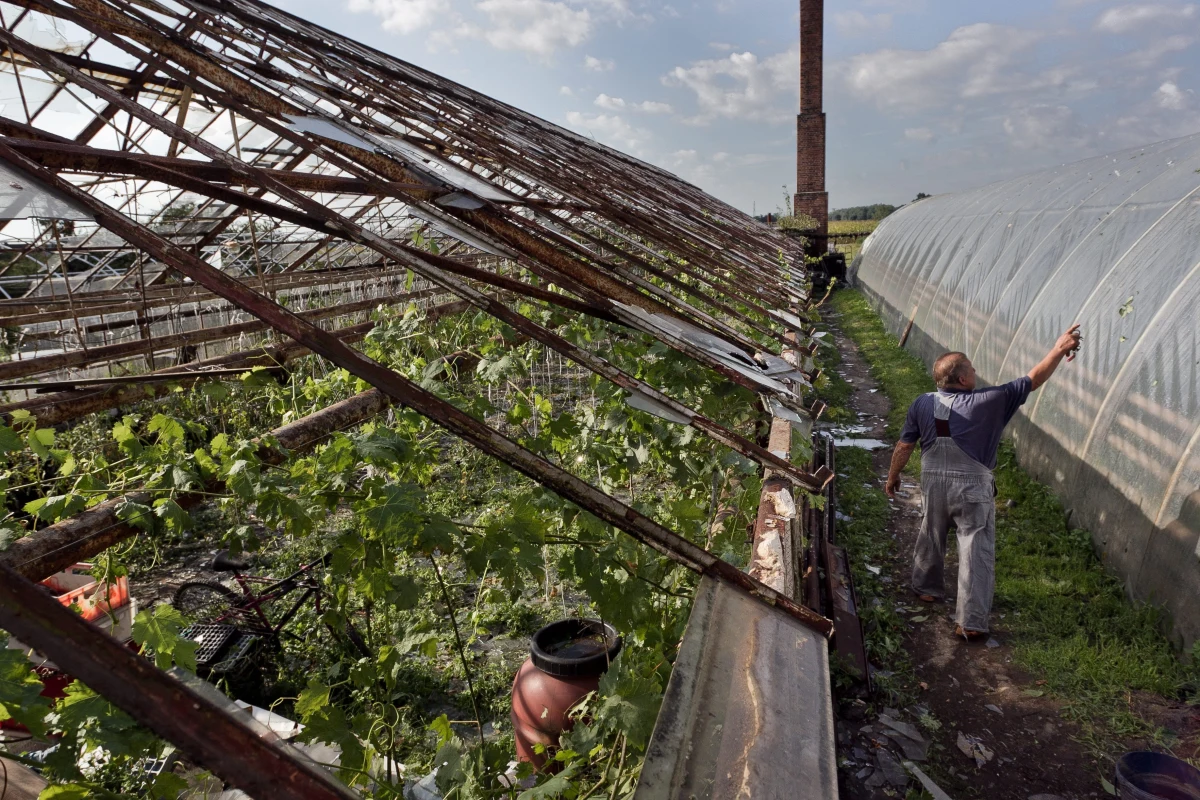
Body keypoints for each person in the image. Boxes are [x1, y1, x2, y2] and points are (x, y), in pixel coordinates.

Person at [884, 324, 1082, 641]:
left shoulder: (922, 403)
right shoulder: (991, 400)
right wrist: (1059, 348)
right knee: (976, 548)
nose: (976, 373)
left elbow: (905, 446)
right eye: (972, 370)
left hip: (934, 484)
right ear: (963, 379)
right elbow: (1034, 379)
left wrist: (893, 476)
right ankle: (971, 621)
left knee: (931, 532)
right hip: (973, 489)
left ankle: (926, 588)